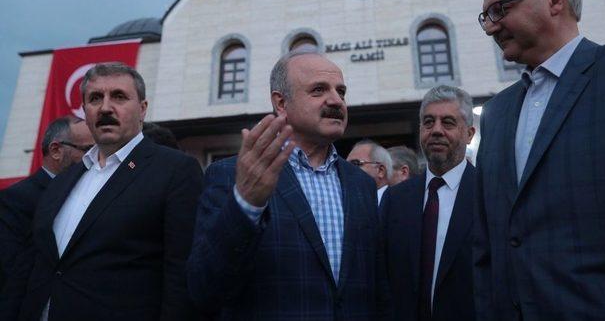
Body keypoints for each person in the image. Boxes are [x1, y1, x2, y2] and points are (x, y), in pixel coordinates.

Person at [475, 0, 605, 321]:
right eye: (485, 16)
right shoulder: (497, 113)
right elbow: (487, 249)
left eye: (500, 10)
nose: (491, 27)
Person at [188, 50, 388, 320]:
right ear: (281, 103)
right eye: (319, 90)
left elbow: (378, 286)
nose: (336, 101)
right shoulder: (230, 175)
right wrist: (246, 204)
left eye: (341, 91)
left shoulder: (361, 184)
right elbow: (204, 288)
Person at [19, 62, 202, 321]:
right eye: (95, 98)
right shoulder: (64, 180)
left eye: (118, 96)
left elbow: (181, 276)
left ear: (142, 109)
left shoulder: (175, 170)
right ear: (84, 111)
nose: (105, 107)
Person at [380, 85, 476, 321]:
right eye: (429, 122)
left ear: (469, 134)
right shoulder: (395, 200)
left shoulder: (491, 194)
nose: (436, 131)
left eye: (448, 123)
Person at [0, 116, 93, 320]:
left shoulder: (88, 195)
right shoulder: (17, 199)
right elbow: (10, 271)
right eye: (87, 151)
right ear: (56, 150)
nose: (94, 159)